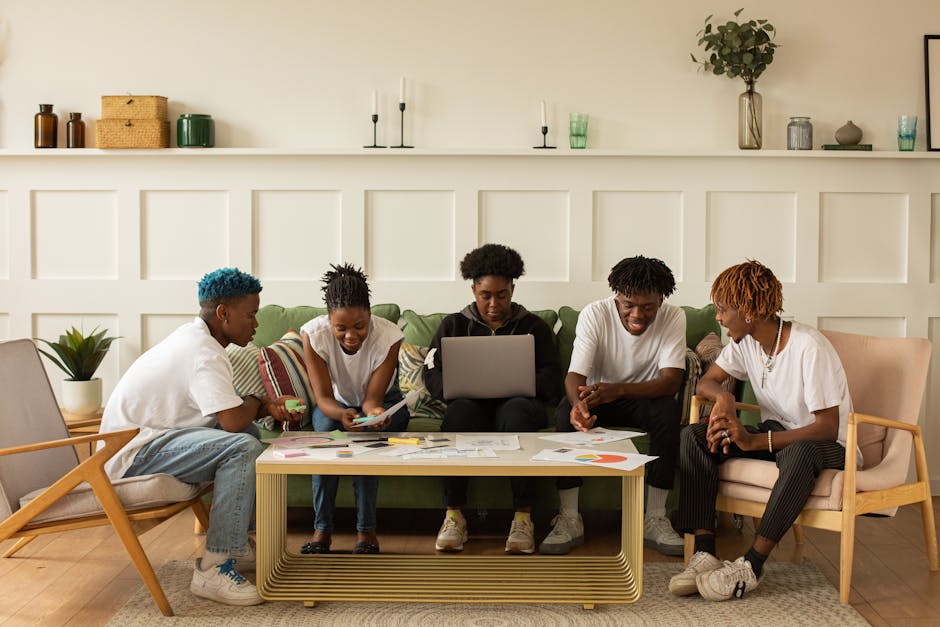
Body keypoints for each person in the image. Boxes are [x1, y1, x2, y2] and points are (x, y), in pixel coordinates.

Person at [99, 267, 301, 606]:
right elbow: (234, 420)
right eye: (251, 315)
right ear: (224, 313)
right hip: (134, 455)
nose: (256, 325)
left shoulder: (198, 339)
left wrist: (263, 407)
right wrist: (258, 402)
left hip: (151, 442)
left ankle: (233, 542)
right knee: (243, 446)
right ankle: (213, 568)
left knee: (248, 434)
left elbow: (234, 417)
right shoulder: (203, 353)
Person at [670, 260, 852, 601]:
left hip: (828, 445)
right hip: (777, 434)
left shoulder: (808, 348)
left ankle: (751, 565)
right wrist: (723, 397)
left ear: (749, 310)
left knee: (800, 451)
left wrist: (755, 440)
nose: (718, 318)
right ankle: (705, 553)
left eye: (724, 310)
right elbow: (707, 382)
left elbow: (827, 428)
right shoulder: (746, 344)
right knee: (694, 435)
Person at [540, 255, 686, 557]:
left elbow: (671, 382)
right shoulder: (595, 314)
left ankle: (655, 517)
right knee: (563, 416)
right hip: (597, 394)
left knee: (668, 412)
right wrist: (578, 406)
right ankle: (569, 517)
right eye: (628, 305)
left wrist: (618, 389)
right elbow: (575, 376)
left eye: (648, 307)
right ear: (616, 297)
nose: (637, 315)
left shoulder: (674, 317)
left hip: (643, 396)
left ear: (661, 300)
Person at [424, 243, 562, 554]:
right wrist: (450, 387)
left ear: (513, 288)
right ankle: (453, 515)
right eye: (485, 295)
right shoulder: (453, 325)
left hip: (520, 405)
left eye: (502, 295)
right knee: (458, 416)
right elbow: (430, 370)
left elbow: (553, 375)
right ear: (473, 289)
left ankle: (523, 518)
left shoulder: (533, 327)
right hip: (469, 405)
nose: (493, 303)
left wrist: (524, 383)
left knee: (516, 414)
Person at [299, 263, 410, 555]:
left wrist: (372, 415)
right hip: (335, 404)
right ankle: (321, 531)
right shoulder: (313, 334)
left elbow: (372, 401)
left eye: (359, 326)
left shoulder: (389, 337)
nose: (351, 335)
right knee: (325, 436)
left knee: (366, 440)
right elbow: (322, 397)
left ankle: (366, 532)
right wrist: (340, 415)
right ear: (329, 321)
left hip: (383, 402)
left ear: (370, 315)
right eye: (341, 328)